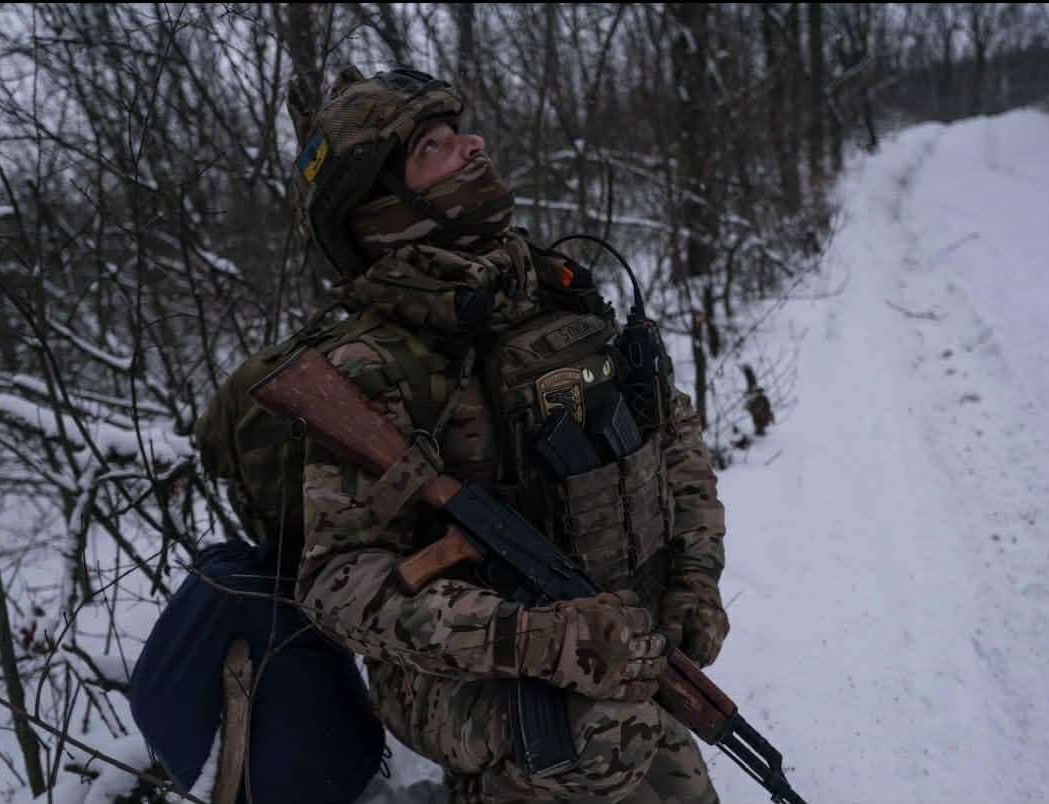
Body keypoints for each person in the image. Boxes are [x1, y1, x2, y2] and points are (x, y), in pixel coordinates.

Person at [285, 65, 729, 804]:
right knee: (603, 734)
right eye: (434, 145)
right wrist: (534, 638)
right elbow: (336, 581)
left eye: (460, 130)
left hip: (606, 642)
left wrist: (694, 580)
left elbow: (672, 438)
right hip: (461, 674)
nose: (473, 145)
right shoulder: (374, 364)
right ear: (379, 205)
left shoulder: (554, 289)